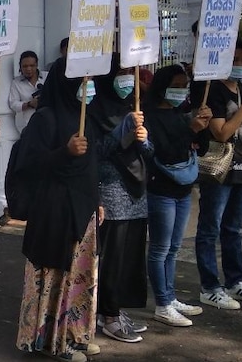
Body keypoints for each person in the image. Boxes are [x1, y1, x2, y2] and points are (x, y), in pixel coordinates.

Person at [15, 57, 100, 362]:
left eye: (90, 82)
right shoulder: (46, 118)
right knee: (56, 275)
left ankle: (76, 334)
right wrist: (63, 153)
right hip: (54, 212)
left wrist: (96, 200)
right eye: (81, 81)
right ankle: (53, 341)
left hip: (82, 210)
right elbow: (29, 164)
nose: (87, 88)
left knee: (79, 277)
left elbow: (92, 165)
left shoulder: (86, 116)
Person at [88, 55, 152, 343]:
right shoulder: (93, 110)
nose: (128, 79)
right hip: (112, 193)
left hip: (136, 191)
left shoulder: (131, 107)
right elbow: (97, 152)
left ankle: (115, 309)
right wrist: (122, 130)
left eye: (130, 72)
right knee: (111, 256)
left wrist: (143, 138)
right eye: (122, 72)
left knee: (129, 257)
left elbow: (148, 153)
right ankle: (107, 314)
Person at [144, 64, 211, 327]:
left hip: (183, 190)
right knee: (160, 249)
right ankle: (162, 303)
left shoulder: (181, 113)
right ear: (163, 87)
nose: (182, 92)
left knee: (173, 248)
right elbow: (165, 152)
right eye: (177, 86)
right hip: (161, 190)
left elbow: (200, 149)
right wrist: (190, 130)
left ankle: (170, 297)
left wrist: (201, 125)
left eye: (185, 87)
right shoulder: (149, 116)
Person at [190, 37, 242, 309]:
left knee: (234, 228)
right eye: (234, 60)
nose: (239, 65)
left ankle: (236, 280)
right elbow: (222, 132)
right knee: (210, 227)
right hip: (219, 169)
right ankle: (210, 286)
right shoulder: (212, 90)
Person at [8, 51, 47, 134]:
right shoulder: (16, 82)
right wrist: (29, 104)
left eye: (32, 66)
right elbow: (13, 104)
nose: (28, 69)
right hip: (27, 125)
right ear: (20, 67)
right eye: (25, 66)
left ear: (36, 65)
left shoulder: (47, 77)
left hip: (47, 122)